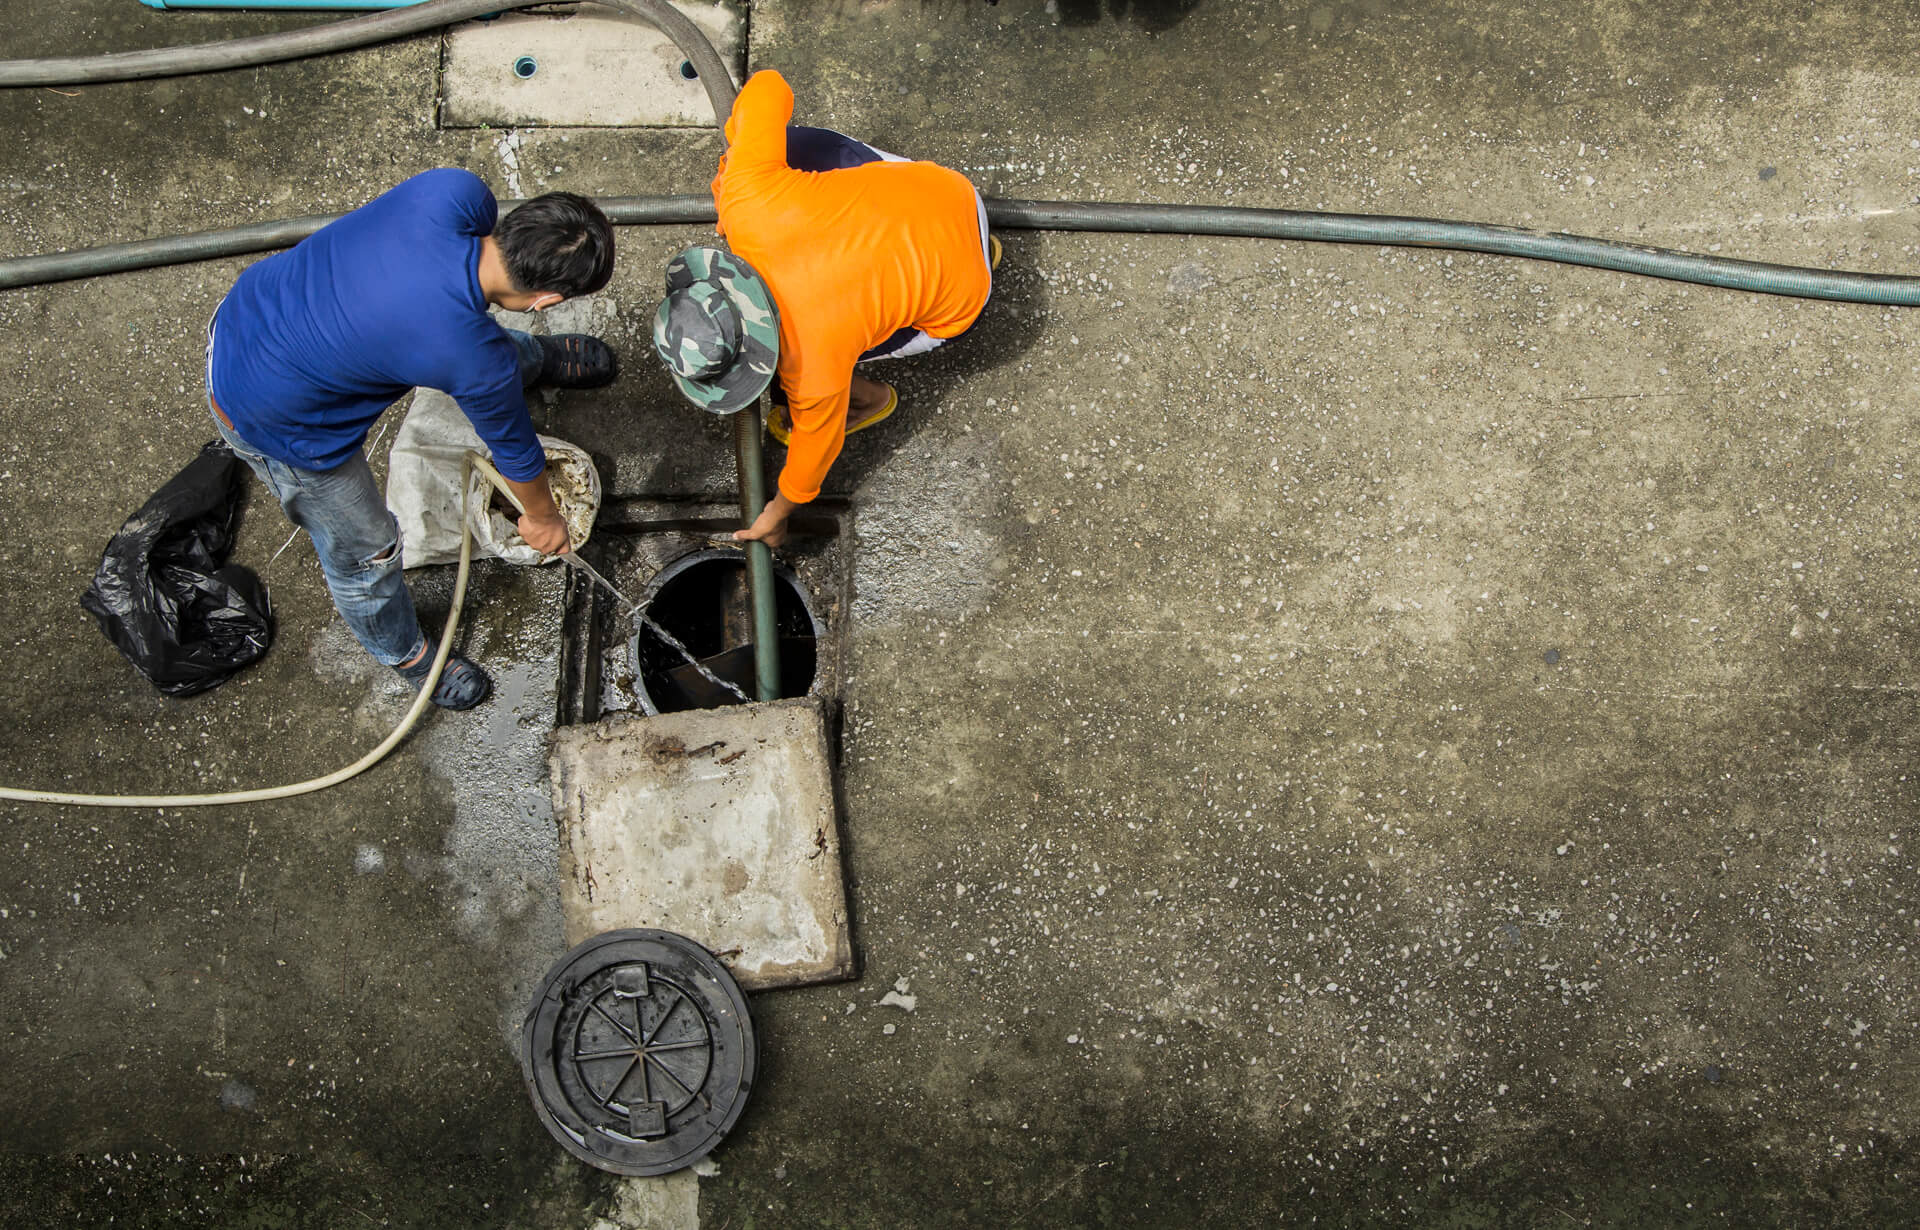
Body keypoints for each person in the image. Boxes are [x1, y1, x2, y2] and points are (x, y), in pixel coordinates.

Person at [204, 168, 617, 709]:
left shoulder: (454, 192)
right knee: (365, 552)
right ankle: (404, 653)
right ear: (545, 300)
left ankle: (533, 361)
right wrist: (542, 519)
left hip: (251, 310)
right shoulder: (472, 358)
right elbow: (518, 454)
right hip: (270, 417)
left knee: (477, 349)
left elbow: (462, 332)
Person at [651, 69, 999, 548]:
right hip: (950, 193)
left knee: (828, 371)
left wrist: (776, 514)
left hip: (962, 299)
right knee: (790, 146)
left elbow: (816, 450)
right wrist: (731, 172)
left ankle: (873, 400)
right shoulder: (747, 199)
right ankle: (982, 247)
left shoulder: (808, 367)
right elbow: (770, 85)